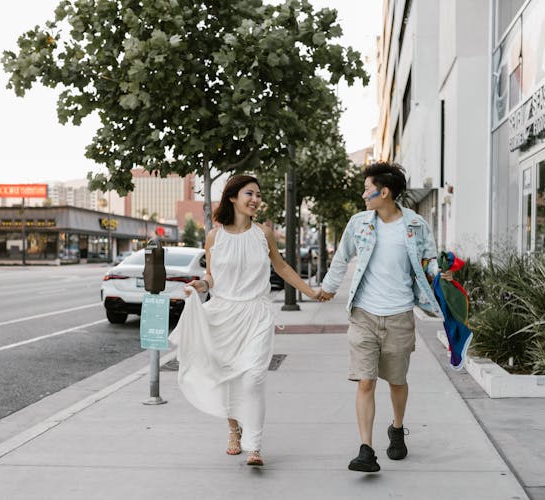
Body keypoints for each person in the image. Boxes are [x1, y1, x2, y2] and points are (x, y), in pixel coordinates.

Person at [168, 174, 319, 467]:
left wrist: (310, 291)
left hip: (256, 314)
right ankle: (233, 429)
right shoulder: (214, 235)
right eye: (250, 193)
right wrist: (199, 286)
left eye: (259, 195)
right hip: (224, 314)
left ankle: (255, 446)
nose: (256, 199)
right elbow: (211, 277)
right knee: (230, 377)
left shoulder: (264, 234)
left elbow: (282, 267)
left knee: (253, 377)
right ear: (233, 197)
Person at [318, 162, 444, 473]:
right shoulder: (359, 223)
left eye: (367, 189)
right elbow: (342, 258)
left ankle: (397, 428)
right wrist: (327, 289)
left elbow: (430, 264)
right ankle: (366, 449)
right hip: (364, 314)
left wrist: (443, 282)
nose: (363, 195)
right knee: (365, 382)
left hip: (400, 315)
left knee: (397, 381)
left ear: (384, 192)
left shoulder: (415, 226)